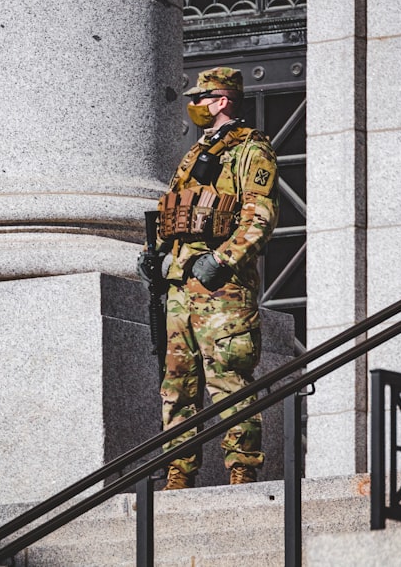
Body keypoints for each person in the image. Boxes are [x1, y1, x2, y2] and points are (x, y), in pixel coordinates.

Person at [138, 66, 279, 489]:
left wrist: (223, 259)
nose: (193, 105)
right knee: (178, 384)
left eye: (201, 98)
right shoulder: (192, 155)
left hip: (221, 287)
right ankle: (178, 472)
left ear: (222, 100)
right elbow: (174, 215)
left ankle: (242, 468)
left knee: (229, 379)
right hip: (180, 283)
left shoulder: (251, 150)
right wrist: (154, 255)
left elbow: (260, 217)